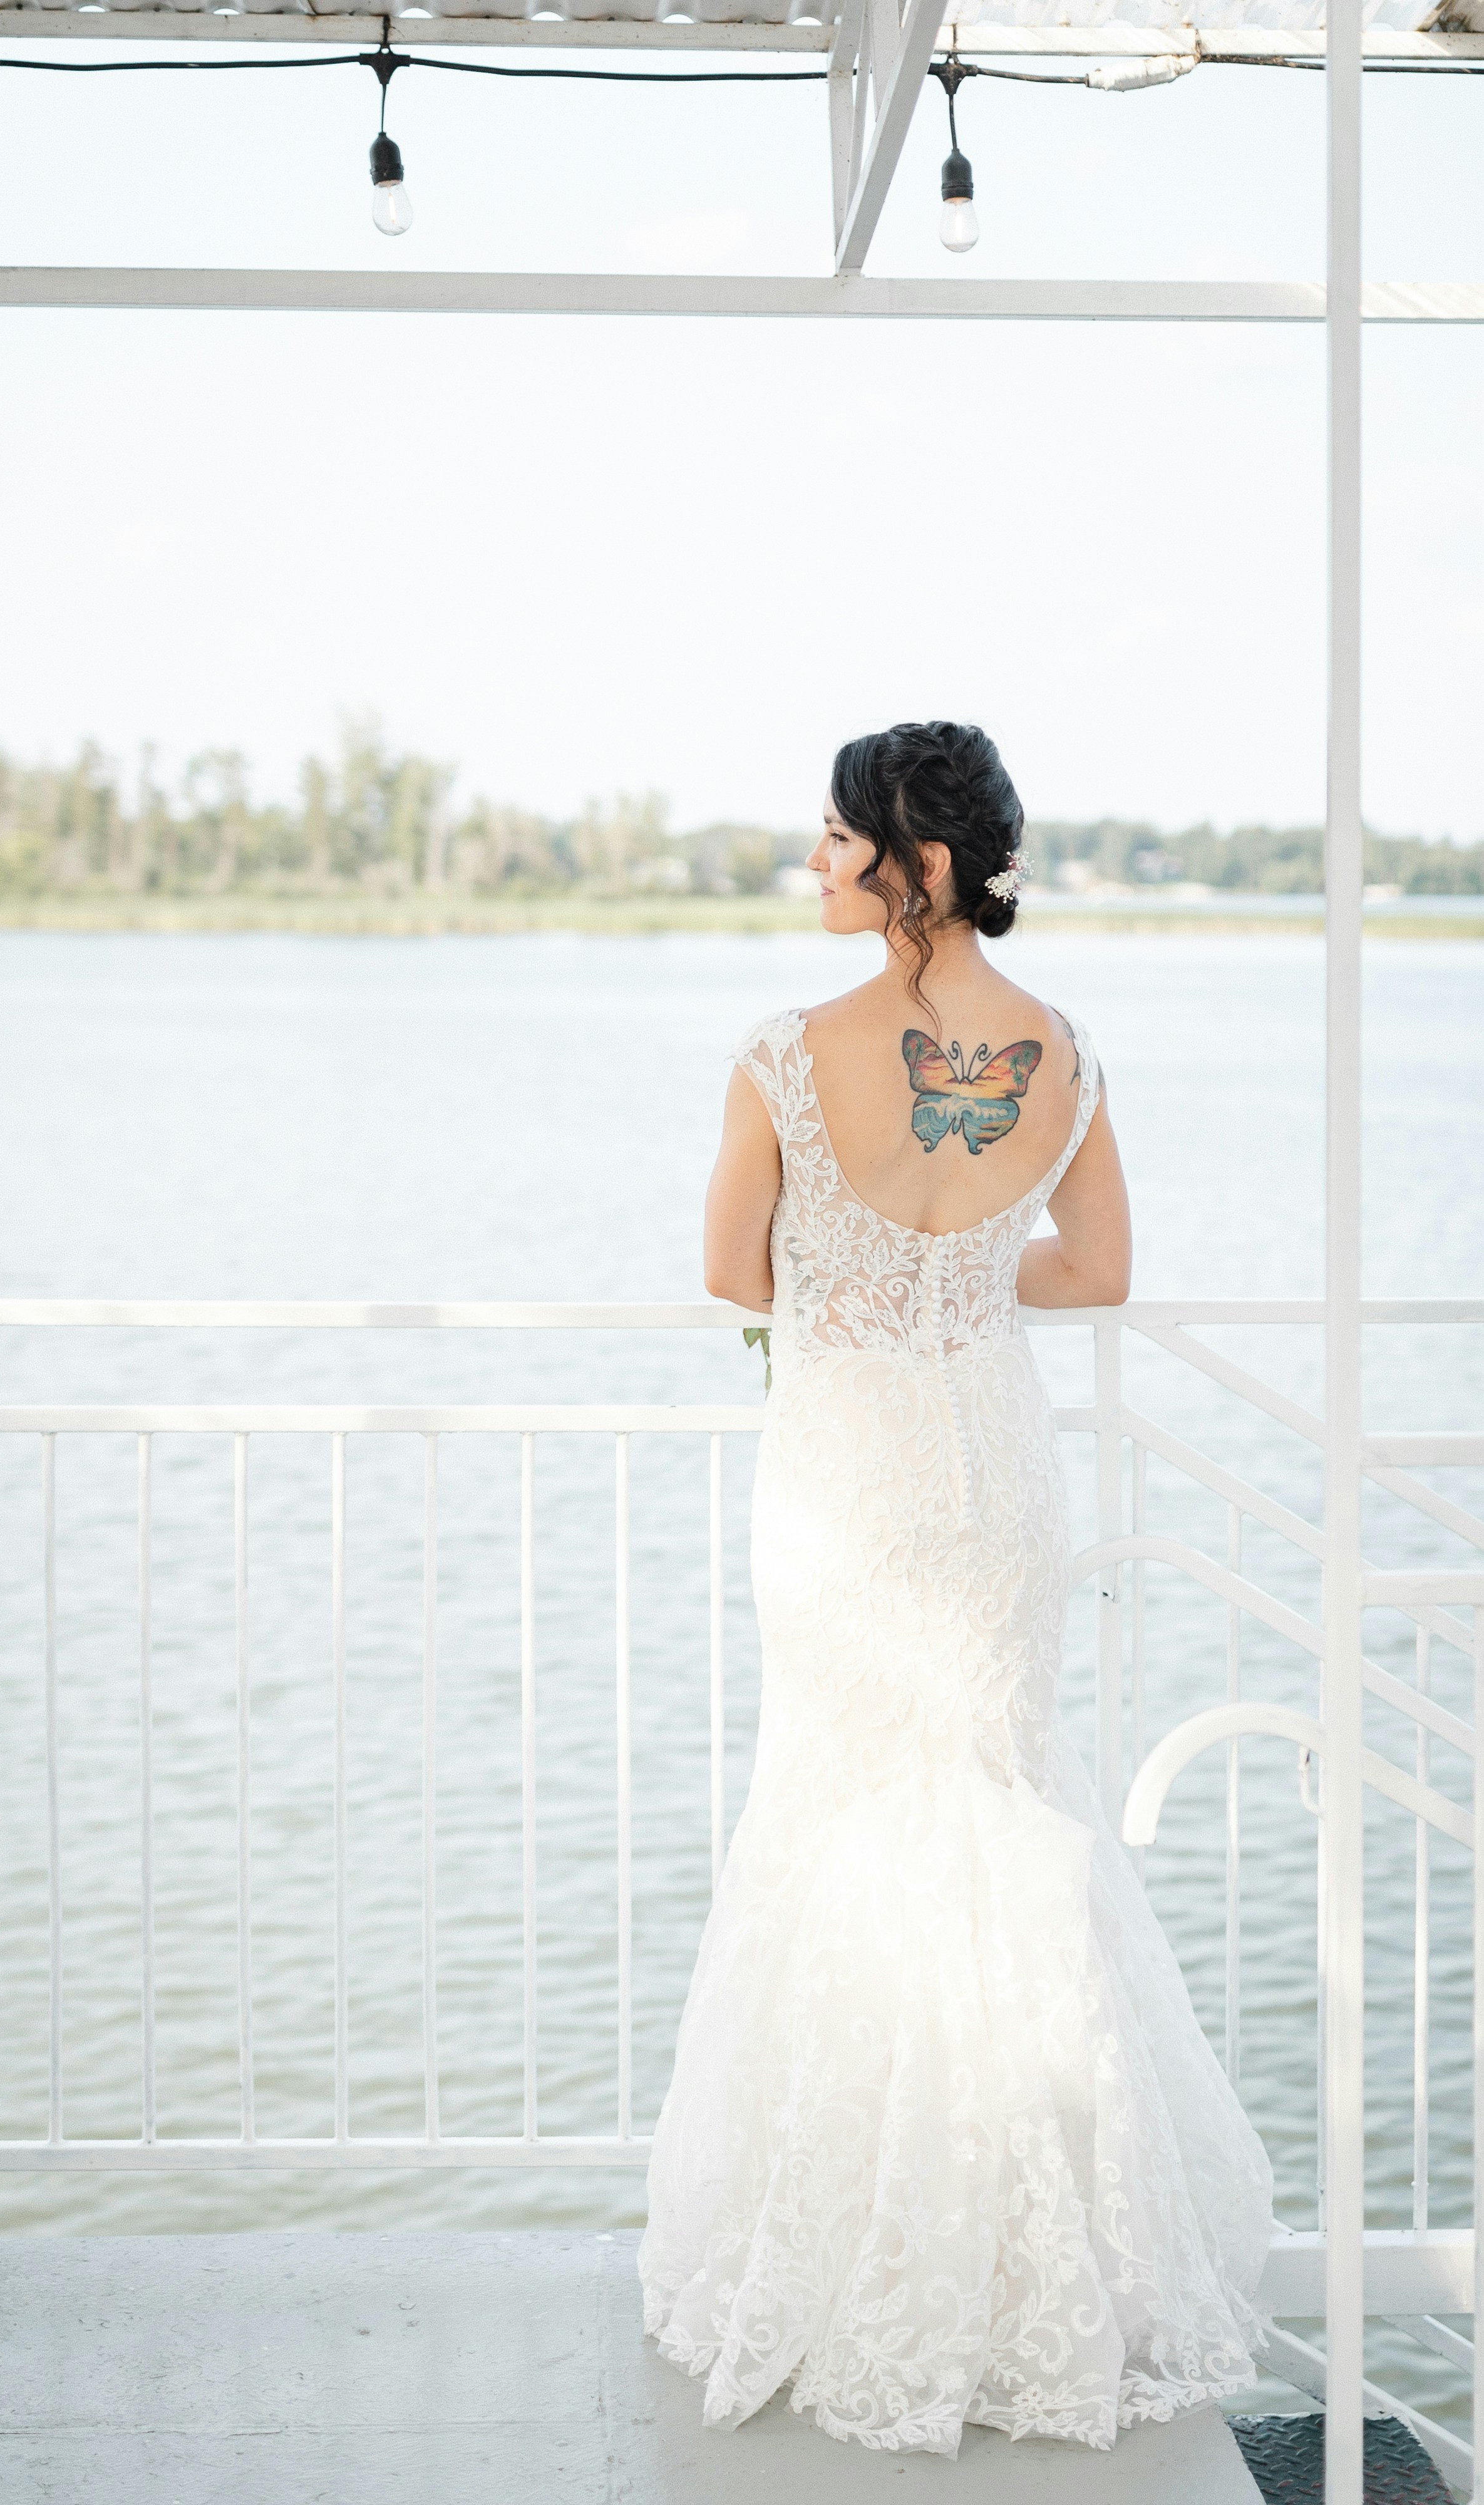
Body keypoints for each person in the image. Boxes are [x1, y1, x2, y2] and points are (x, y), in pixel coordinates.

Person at [639, 720, 1272, 2454]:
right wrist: (963, 1279)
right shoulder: (1057, 1050)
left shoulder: (785, 1052)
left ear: (904, 864)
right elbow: (1103, 1267)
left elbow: (725, 1264)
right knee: (995, 1817)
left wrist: (852, 1289)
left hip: (846, 1487)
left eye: (834, 842)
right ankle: (1037, 2269)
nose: (815, 865)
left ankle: (855, 2254)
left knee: (840, 1824)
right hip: (994, 1478)